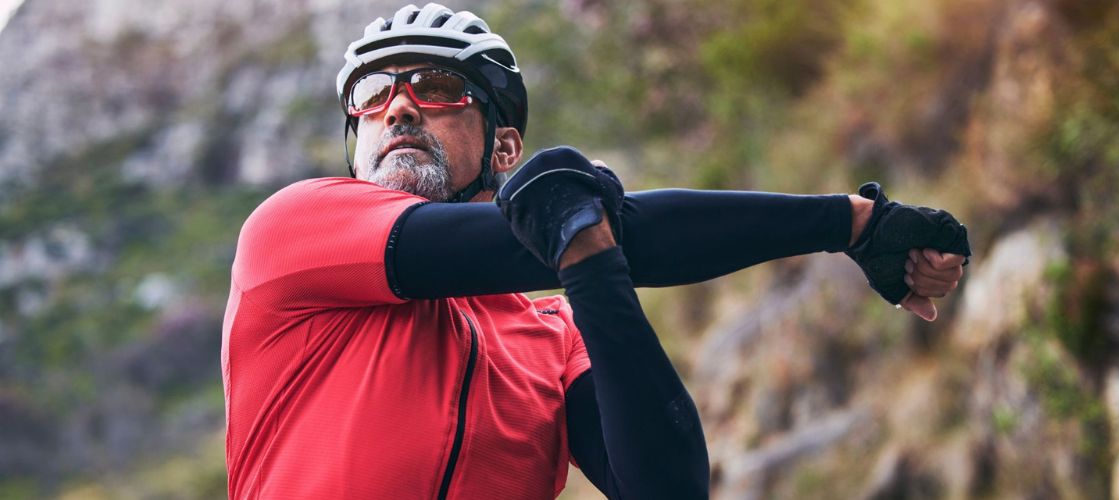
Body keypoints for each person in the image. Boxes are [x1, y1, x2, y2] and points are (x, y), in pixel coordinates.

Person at [220, 3, 970, 499]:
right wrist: (851, 223)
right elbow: (589, 235)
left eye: (439, 86)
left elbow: (668, 491)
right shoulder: (292, 235)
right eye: (373, 97)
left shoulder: (550, 342)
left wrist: (594, 271)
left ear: (504, 147)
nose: (401, 106)